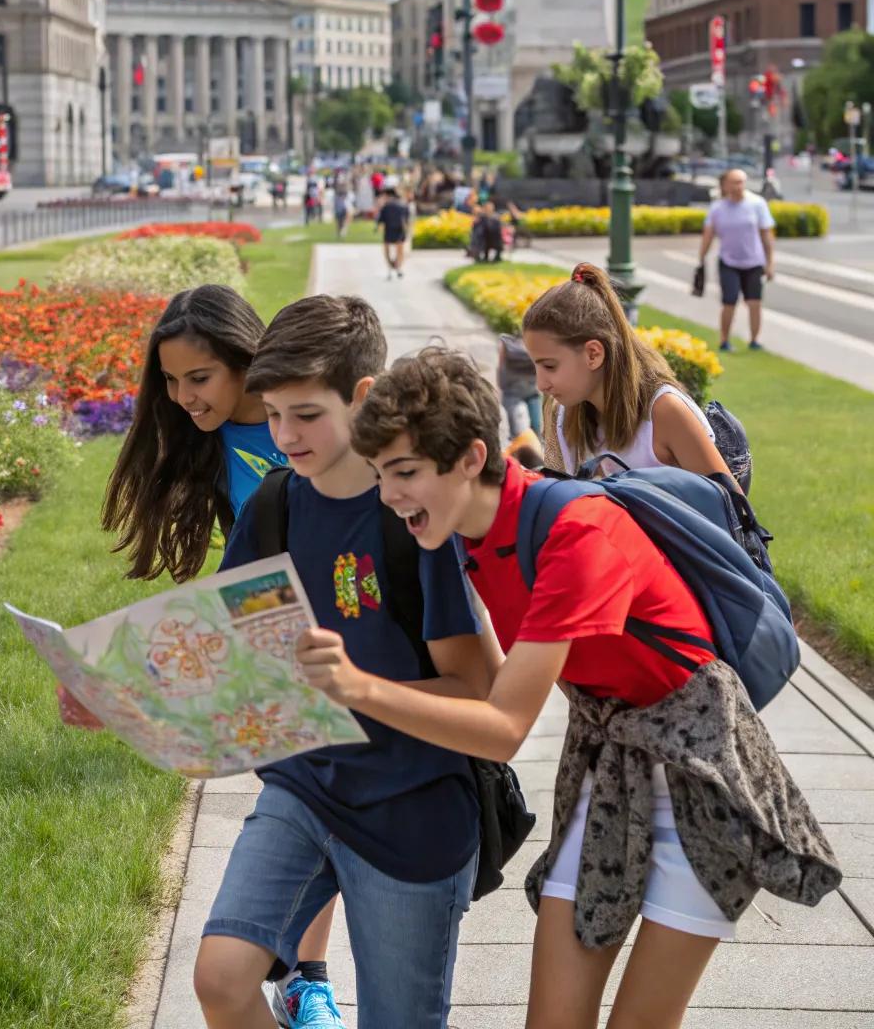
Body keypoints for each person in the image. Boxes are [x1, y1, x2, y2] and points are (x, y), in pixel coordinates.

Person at [300, 347, 840, 1029]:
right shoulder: (457, 532)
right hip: (609, 759)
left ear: (470, 458)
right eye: (380, 473)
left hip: (702, 770)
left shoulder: (577, 532)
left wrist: (359, 689)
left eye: (404, 473)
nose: (388, 495)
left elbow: (504, 726)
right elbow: (478, 680)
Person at [193, 296, 489, 1029]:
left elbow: (478, 688)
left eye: (305, 414)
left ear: (362, 397)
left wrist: (361, 688)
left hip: (410, 806)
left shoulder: (415, 516)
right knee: (221, 981)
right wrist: (120, 694)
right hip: (303, 788)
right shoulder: (273, 507)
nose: (285, 435)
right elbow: (226, 647)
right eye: (272, 414)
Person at [86, 286, 341, 1028]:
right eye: (170, 381)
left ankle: (307, 977)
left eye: (198, 378)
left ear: (242, 360)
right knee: (301, 795)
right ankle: (304, 977)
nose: (182, 396)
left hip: (354, 629)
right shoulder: (206, 438)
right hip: (277, 637)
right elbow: (242, 562)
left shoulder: (302, 410)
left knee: (322, 801)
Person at [523, 263, 731, 480]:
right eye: (535, 366)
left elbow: (731, 507)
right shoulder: (561, 413)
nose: (541, 384)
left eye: (549, 366)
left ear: (593, 354)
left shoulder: (665, 411)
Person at [698, 169, 775, 352]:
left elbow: (766, 235)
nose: (738, 186)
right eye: (734, 182)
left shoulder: (757, 204)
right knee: (729, 302)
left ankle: (754, 340)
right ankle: (724, 340)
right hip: (728, 261)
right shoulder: (718, 208)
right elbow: (708, 235)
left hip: (754, 262)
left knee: (754, 302)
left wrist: (770, 262)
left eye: (741, 182)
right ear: (725, 185)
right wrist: (701, 258)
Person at [497, 331, 543, 440]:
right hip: (521, 392)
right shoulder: (539, 346)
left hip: (518, 392)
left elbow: (500, 366)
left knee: (521, 432)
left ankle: (527, 448)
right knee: (528, 431)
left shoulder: (506, 344)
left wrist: (500, 387)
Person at [375, 185, 410, 280]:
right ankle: (398, 267)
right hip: (400, 230)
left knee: (387, 249)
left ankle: (390, 266)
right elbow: (406, 220)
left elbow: (380, 220)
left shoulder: (386, 206)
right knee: (400, 250)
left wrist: (377, 228)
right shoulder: (403, 204)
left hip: (389, 230)